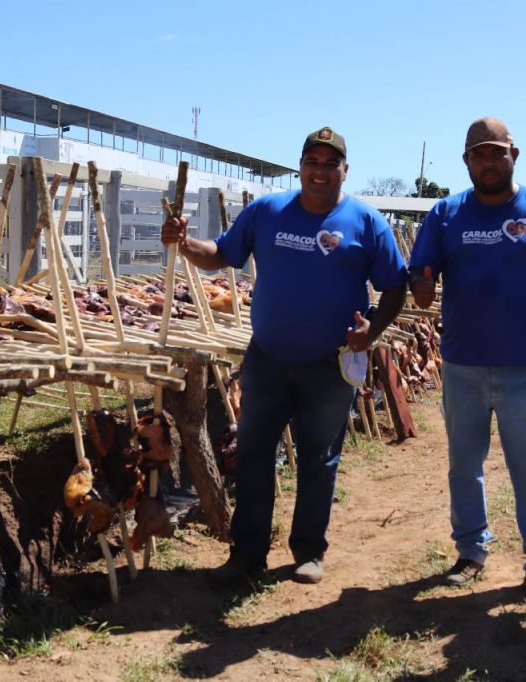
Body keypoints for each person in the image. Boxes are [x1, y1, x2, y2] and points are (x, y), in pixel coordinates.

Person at [161, 127, 408, 585]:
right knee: (254, 455)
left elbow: (396, 285)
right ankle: (247, 553)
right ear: (301, 167)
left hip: (330, 366)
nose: (320, 170)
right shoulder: (267, 211)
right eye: (311, 161)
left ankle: (309, 550)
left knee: (319, 458)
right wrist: (185, 243)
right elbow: (221, 255)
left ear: (344, 170)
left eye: (329, 163)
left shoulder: (366, 222)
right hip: (268, 360)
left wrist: (371, 331)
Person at [409, 117, 526, 609]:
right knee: (464, 467)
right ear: (466, 160)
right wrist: (420, 287)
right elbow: (421, 286)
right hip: (463, 366)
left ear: (513, 154)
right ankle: (470, 553)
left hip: (524, 368)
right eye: (478, 154)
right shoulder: (446, 214)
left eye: (496, 152)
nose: (488, 162)